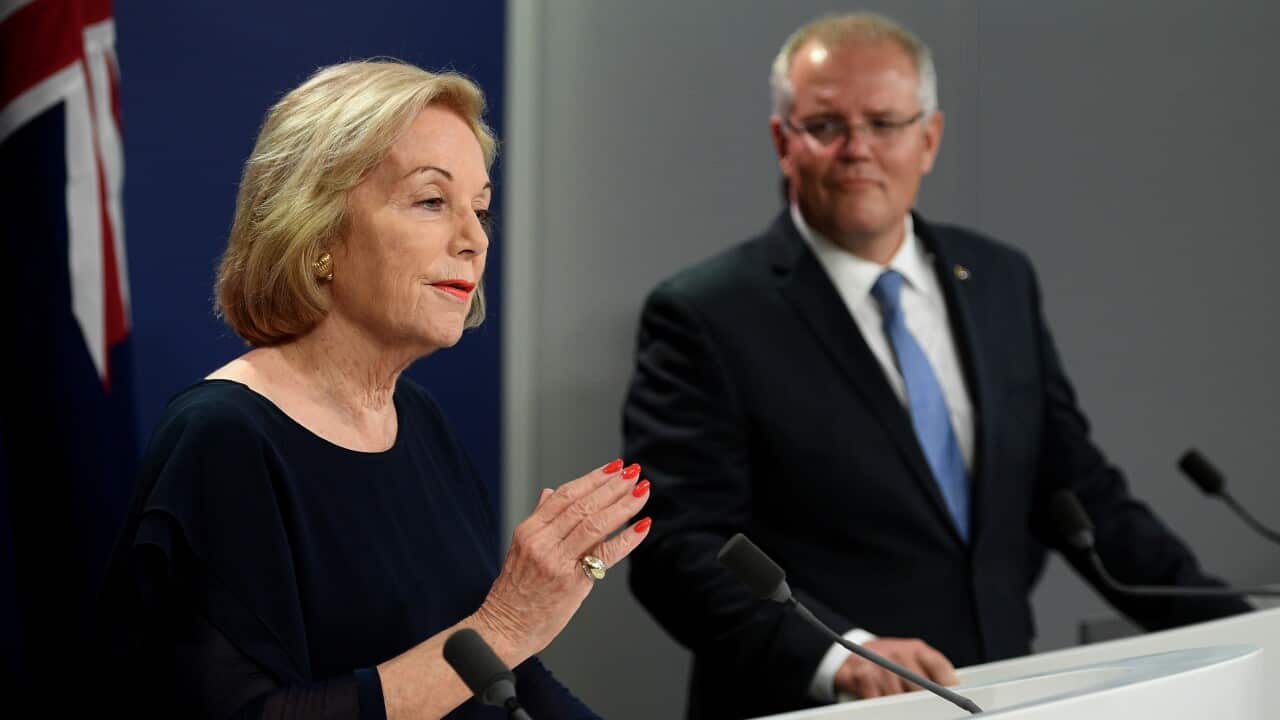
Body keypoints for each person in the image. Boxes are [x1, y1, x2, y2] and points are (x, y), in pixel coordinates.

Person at [623, 12, 1249, 720]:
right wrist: (842, 655)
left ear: (929, 137)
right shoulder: (706, 314)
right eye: (826, 125)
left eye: (884, 123)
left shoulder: (999, 280)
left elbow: (1078, 493)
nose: (858, 149)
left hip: (997, 693)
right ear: (782, 142)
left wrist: (1239, 629)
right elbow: (678, 546)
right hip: (819, 707)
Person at [97, 59, 653, 719]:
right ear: (317, 228)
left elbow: (499, 678)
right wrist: (505, 626)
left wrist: (507, 635)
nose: (475, 240)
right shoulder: (224, 441)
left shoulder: (418, 421)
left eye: (480, 209)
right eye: (431, 201)